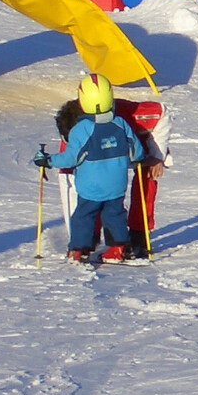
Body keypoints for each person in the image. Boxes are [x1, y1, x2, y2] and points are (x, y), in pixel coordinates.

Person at [34, 75, 146, 263]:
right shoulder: (120, 124)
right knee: (115, 214)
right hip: (116, 184)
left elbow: (70, 158)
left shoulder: (82, 129)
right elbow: (136, 152)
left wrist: (48, 160)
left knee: (83, 216)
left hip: (91, 187)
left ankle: (78, 250)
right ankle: (118, 248)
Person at [52, 95, 170, 259]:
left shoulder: (131, 115)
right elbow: (69, 185)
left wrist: (157, 155)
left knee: (146, 178)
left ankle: (138, 235)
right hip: (100, 165)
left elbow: (161, 113)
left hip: (137, 150)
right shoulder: (72, 136)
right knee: (91, 199)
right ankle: (89, 238)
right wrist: (77, 235)